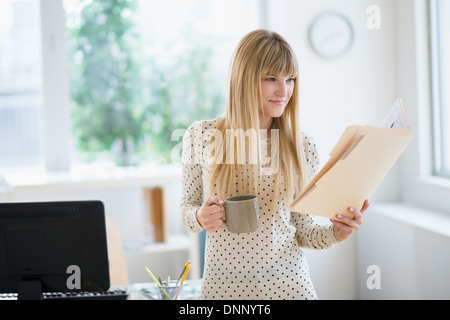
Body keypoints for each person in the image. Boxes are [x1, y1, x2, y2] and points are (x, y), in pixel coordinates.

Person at [180, 29, 369, 300]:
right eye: (271, 78)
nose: (284, 91)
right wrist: (199, 216)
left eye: (290, 79)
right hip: (224, 291)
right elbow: (187, 208)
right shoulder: (201, 135)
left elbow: (302, 231)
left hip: (289, 288)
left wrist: (336, 233)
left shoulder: (302, 147)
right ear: (243, 79)